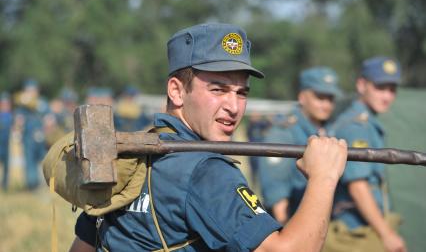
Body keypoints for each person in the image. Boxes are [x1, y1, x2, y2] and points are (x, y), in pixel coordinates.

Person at [68, 23, 348, 252]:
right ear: (177, 91)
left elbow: (82, 247)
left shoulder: (129, 155)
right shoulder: (204, 170)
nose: (234, 107)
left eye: (242, 93)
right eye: (218, 89)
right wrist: (324, 177)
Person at [324, 57, 407, 252]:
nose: (387, 96)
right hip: (356, 232)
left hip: (365, 226)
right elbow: (358, 187)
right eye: (380, 87)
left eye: (392, 89)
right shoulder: (356, 127)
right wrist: (386, 234)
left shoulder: (366, 122)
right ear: (362, 85)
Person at [258, 66, 342, 225]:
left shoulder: (329, 130)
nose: (326, 104)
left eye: (330, 98)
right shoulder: (283, 132)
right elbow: (277, 192)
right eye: (320, 97)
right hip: (294, 223)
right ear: (302, 97)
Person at [14, 79, 48, 190]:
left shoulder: (42, 103)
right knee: (30, 162)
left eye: (33, 90)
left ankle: (45, 184)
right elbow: (18, 120)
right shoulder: (22, 106)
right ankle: (32, 185)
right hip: (28, 138)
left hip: (42, 138)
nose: (31, 93)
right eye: (28, 90)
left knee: (44, 161)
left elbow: (49, 117)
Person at [0, 92, 13, 191]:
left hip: (7, 144)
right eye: (3, 104)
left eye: (7, 104)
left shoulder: (11, 115)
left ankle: (5, 184)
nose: (5, 106)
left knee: (6, 166)